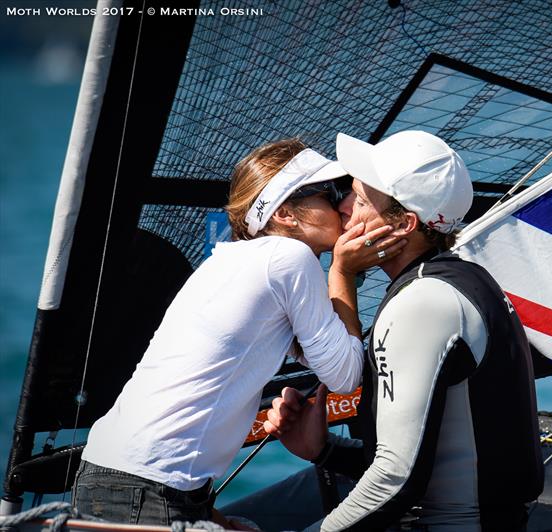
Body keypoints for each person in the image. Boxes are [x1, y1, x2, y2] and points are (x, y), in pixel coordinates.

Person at [73, 139, 406, 526]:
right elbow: (345, 375)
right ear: (284, 213)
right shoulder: (289, 258)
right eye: (331, 192)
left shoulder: (231, 261)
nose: (344, 202)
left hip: (122, 476)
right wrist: (343, 271)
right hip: (147, 487)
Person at [267, 131, 544, 531]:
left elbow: (396, 480)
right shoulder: (462, 278)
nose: (342, 207)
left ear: (402, 225)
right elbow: (435, 457)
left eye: (360, 200)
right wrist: (326, 451)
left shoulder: (422, 303)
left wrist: (340, 270)